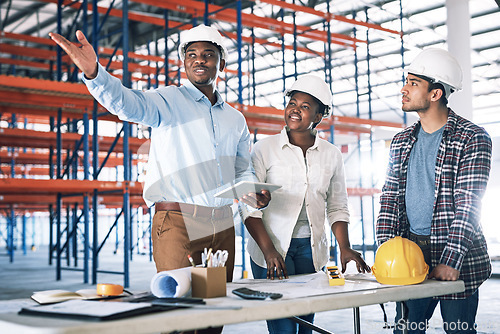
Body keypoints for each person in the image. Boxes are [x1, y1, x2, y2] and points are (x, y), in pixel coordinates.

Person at [49, 25, 270, 333]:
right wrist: (95, 74)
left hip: (220, 226)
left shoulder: (235, 119)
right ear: (184, 62)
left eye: (208, 54)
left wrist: (252, 191)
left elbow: (242, 171)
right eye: (191, 55)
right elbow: (126, 103)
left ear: (221, 62)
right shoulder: (167, 101)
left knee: (213, 314)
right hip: (176, 221)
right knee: (176, 310)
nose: (199, 60)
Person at [243, 75, 370, 334]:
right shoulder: (263, 149)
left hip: (311, 250)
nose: (295, 109)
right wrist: (269, 252)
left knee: (305, 325)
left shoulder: (331, 155)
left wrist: (344, 247)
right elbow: (248, 207)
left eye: (304, 106)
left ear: (319, 116)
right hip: (270, 246)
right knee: (283, 327)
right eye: (292, 102)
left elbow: (337, 206)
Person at [376, 48, 492, 334]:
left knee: (458, 330)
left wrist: (451, 261)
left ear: (435, 94)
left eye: (413, 83)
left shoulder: (472, 138)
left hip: (457, 253)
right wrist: (387, 251)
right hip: (409, 252)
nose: (404, 89)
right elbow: (390, 198)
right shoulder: (401, 141)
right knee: (406, 330)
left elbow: (469, 204)